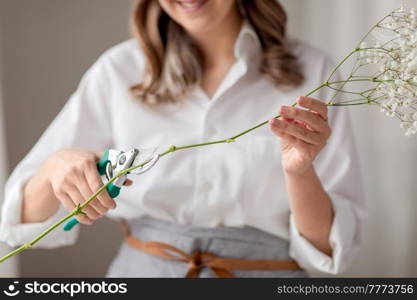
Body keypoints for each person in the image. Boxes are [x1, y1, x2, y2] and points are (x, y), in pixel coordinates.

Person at [0, 0, 366, 277]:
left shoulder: (315, 73)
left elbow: (330, 250)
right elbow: (20, 223)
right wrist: (55, 167)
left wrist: (299, 172)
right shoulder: (118, 70)